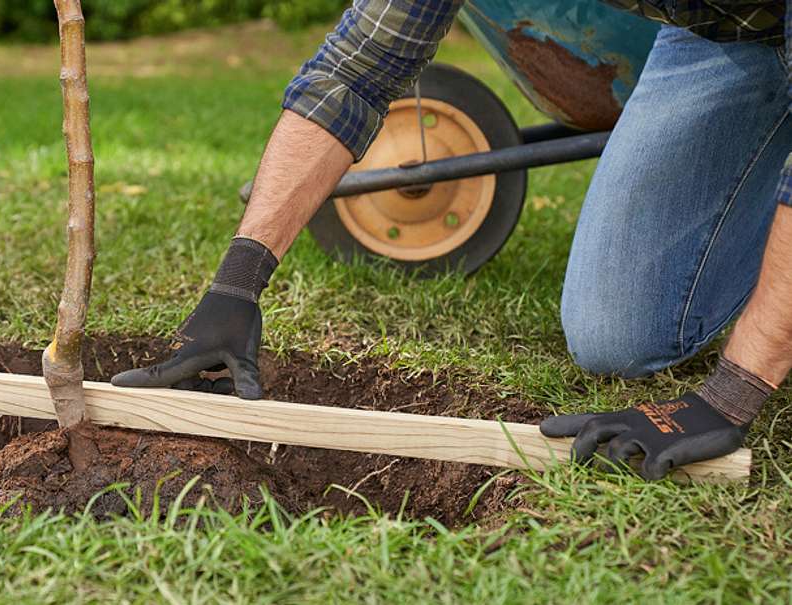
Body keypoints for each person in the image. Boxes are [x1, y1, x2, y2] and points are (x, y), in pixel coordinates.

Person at [112, 0, 792, 480]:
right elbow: (351, 73)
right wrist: (236, 284)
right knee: (615, 333)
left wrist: (731, 392)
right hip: (715, 35)